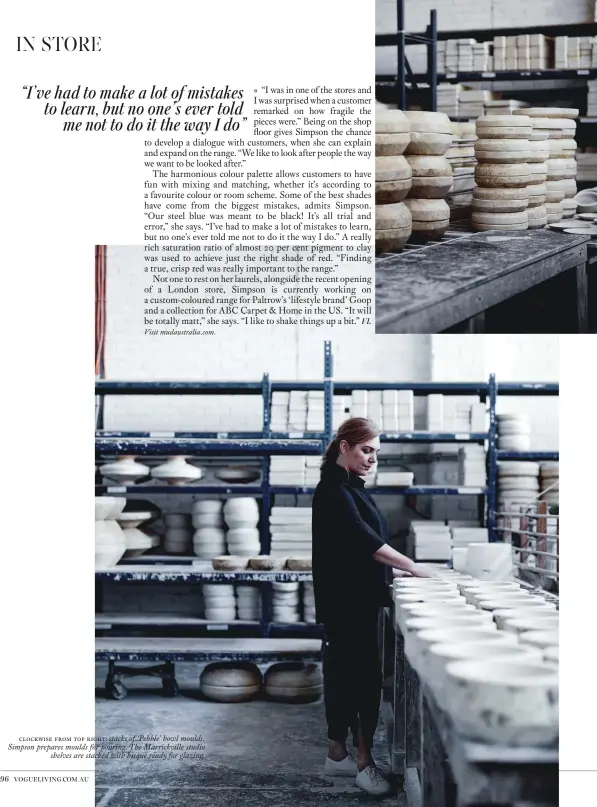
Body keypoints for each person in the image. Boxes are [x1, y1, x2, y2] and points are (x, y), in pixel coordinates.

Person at [312, 417, 433, 796]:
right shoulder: (333, 490)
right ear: (344, 446)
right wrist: (410, 565)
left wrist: (393, 574)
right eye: (366, 450)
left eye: (376, 453)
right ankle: (365, 764)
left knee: (344, 675)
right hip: (347, 603)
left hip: (354, 598)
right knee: (361, 681)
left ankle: (337, 756)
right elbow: (360, 537)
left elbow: (364, 543)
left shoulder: (350, 488)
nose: (372, 459)